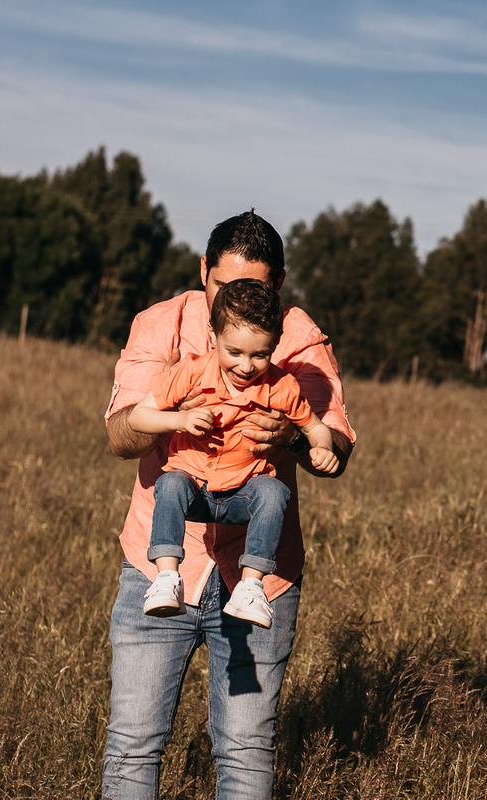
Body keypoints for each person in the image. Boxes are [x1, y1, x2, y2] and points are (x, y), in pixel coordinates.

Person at [102, 211, 355, 800]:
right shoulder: (161, 325)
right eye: (221, 286)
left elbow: (335, 447)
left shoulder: (302, 343)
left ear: (281, 284)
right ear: (202, 273)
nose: (236, 299)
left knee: (245, 753)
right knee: (133, 744)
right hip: (158, 566)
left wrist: (292, 438)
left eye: (258, 290)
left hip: (260, 578)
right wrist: (176, 417)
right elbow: (119, 435)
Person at [129, 278, 340, 628]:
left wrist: (322, 448)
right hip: (194, 489)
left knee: (274, 491)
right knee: (169, 485)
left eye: (260, 355)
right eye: (235, 353)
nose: (246, 366)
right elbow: (138, 416)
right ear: (214, 337)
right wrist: (179, 418)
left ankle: (251, 587)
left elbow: (316, 428)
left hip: (244, 495)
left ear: (275, 345)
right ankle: (167, 579)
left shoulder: (281, 387)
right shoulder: (192, 372)